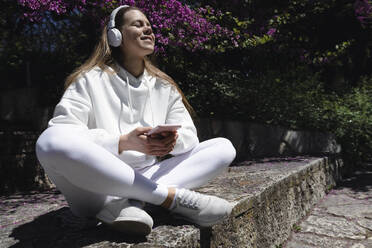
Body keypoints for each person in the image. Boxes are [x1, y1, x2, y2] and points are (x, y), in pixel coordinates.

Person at [35, 5, 236, 236]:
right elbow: (64, 132)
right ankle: (167, 198)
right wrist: (122, 142)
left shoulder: (164, 86)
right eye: (138, 24)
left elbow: (190, 136)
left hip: (148, 174)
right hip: (94, 189)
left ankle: (130, 203)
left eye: (150, 26)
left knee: (223, 147)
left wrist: (172, 141)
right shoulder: (88, 80)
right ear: (115, 35)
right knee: (48, 140)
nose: (148, 30)